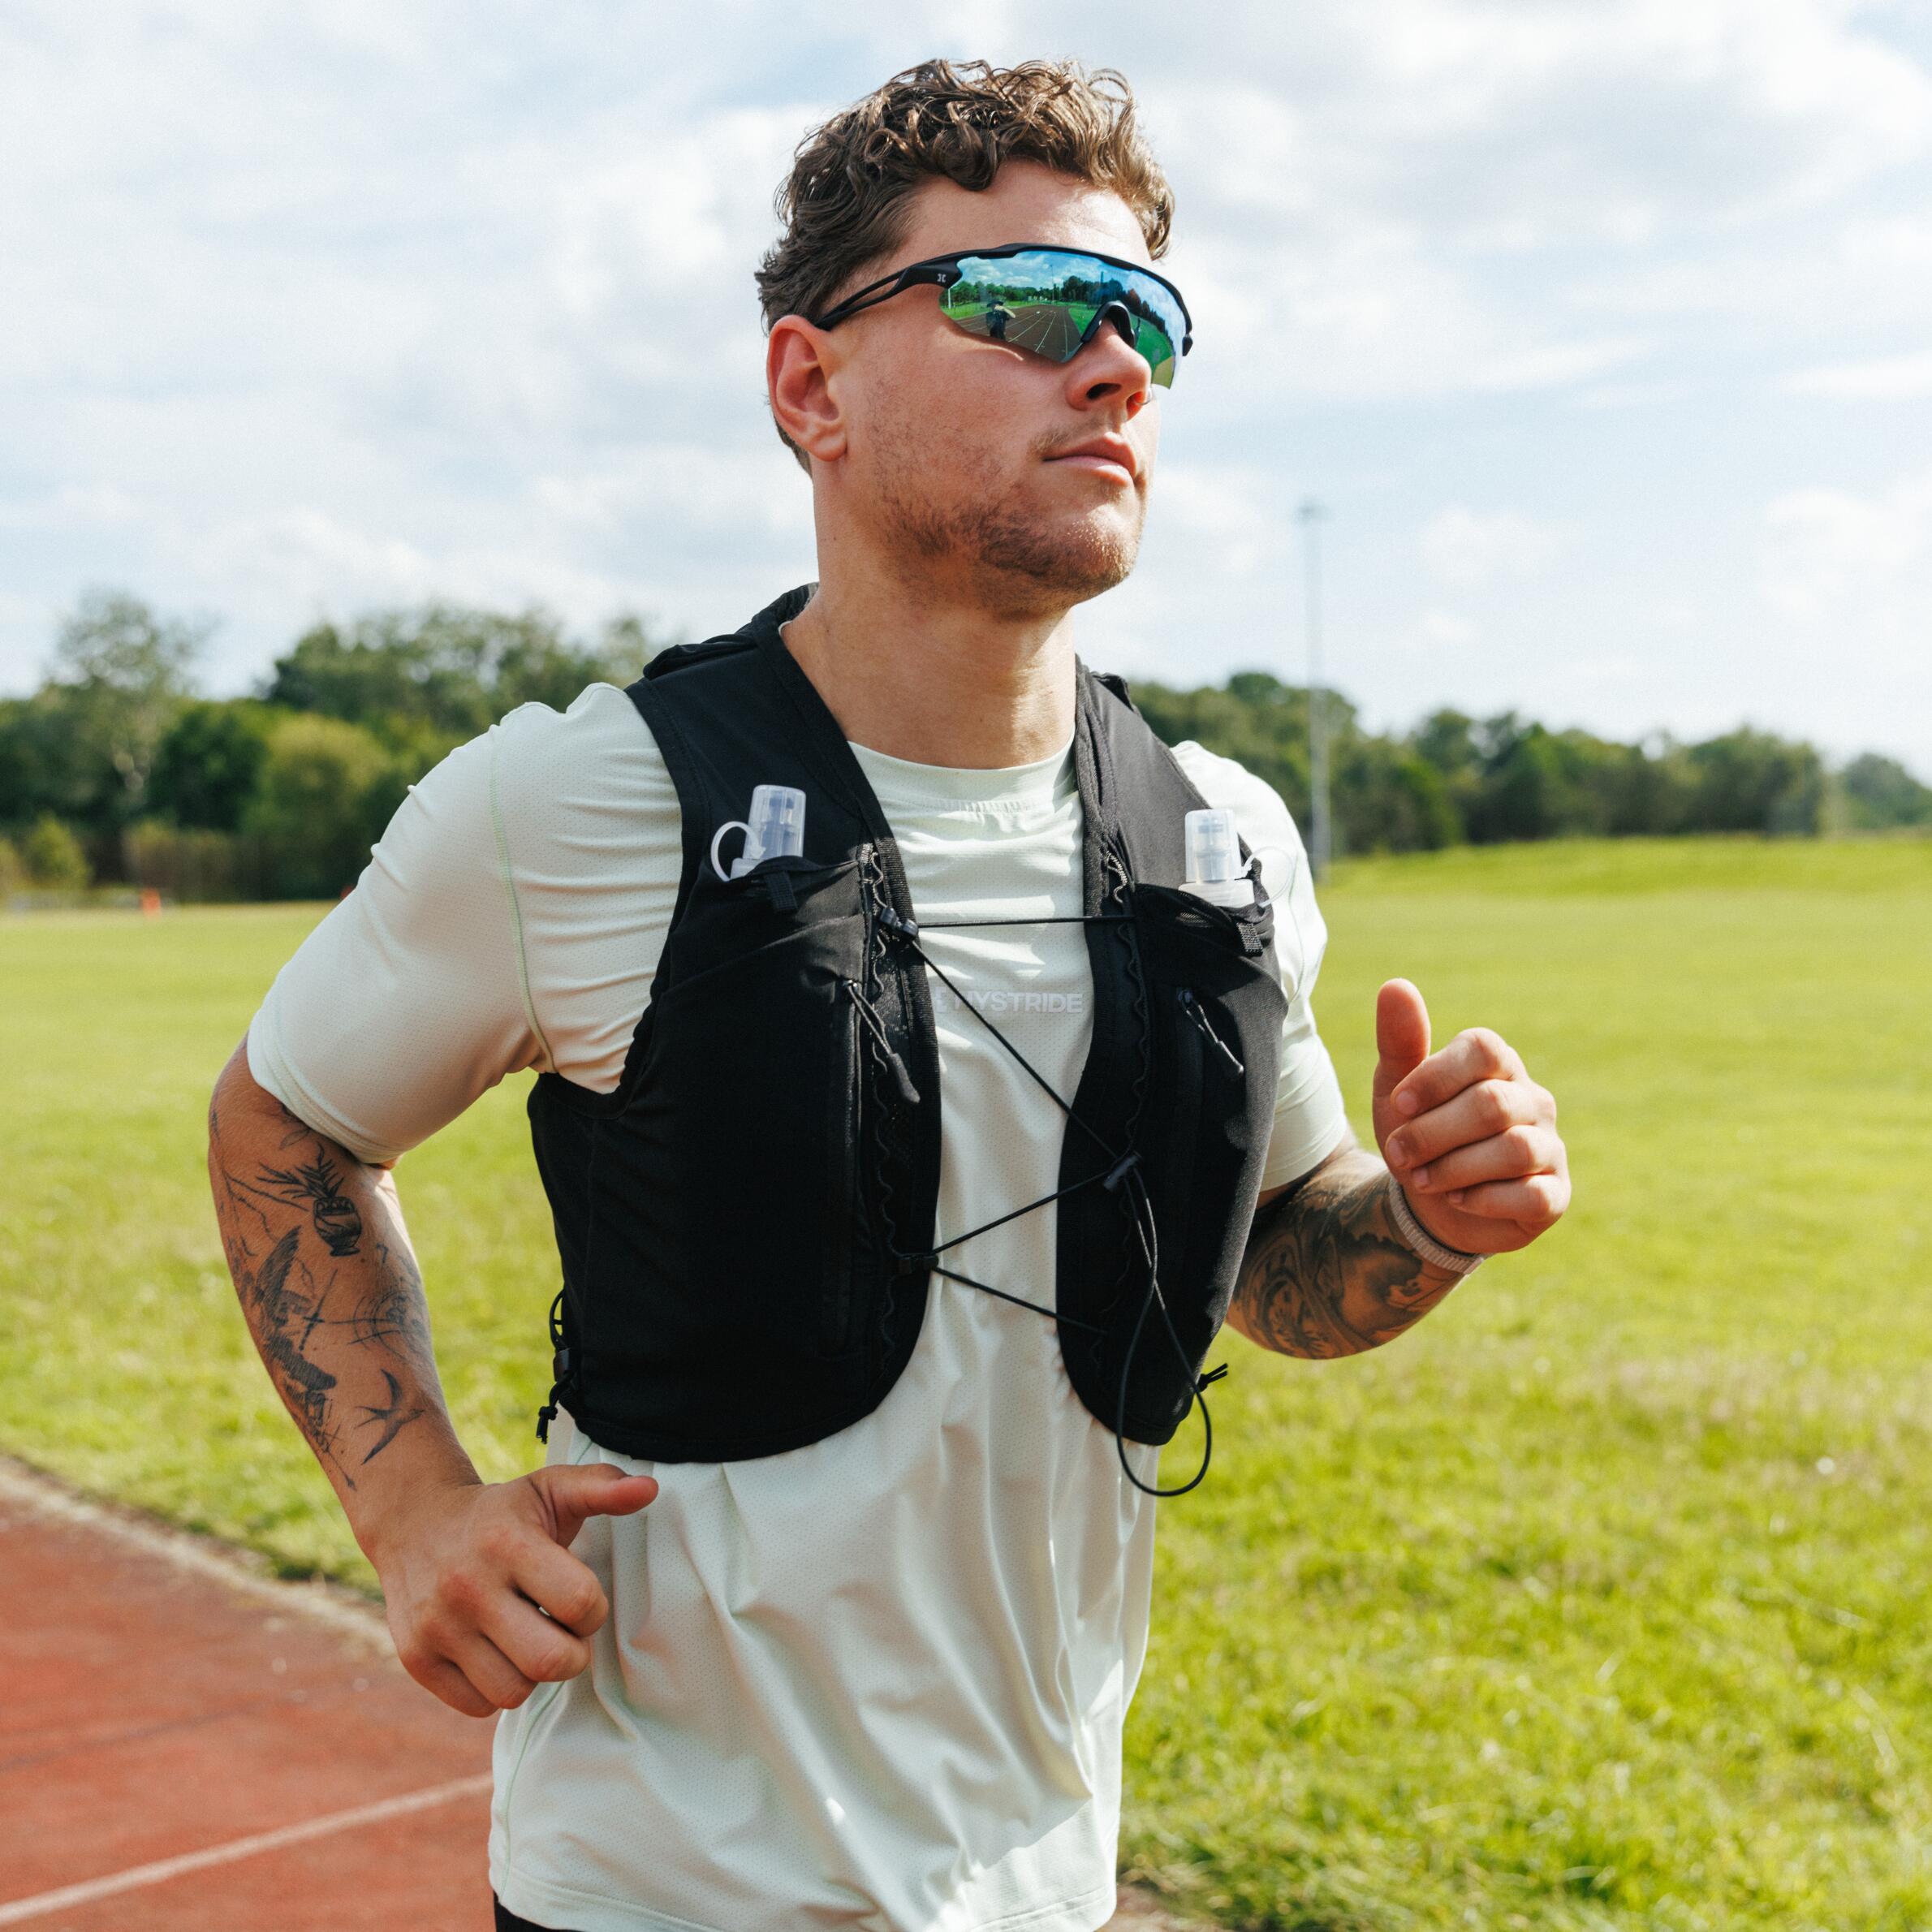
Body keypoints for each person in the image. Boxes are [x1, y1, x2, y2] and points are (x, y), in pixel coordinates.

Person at [207, 56, 1570, 1932]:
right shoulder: (581, 799)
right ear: (809, 386)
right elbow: (284, 1120)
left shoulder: (1221, 838)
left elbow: (1275, 1259)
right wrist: (411, 1502)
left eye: (1147, 319)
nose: (1114, 367)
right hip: (656, 1882)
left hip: (1041, 1875)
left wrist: (1423, 1215)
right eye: (1030, 304)